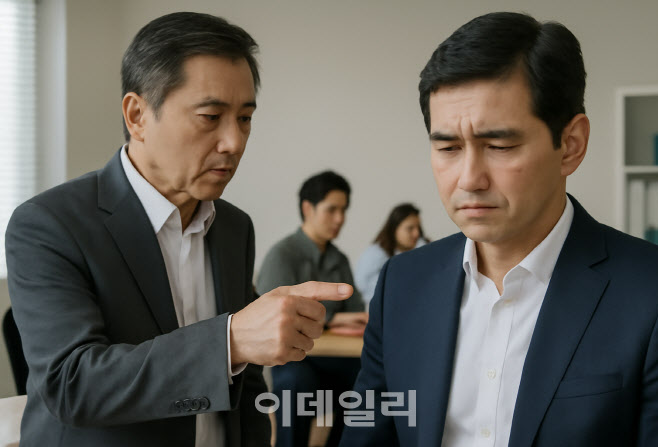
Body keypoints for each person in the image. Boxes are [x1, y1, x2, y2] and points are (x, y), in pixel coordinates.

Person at [5, 12, 355, 447]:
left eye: (245, 118)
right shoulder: (49, 224)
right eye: (210, 116)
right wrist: (228, 342)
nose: (234, 142)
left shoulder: (234, 227)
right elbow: (71, 385)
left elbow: (246, 388)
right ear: (137, 115)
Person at [340, 12, 658, 447]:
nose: (469, 179)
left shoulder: (655, 292)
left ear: (570, 145)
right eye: (448, 147)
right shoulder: (402, 284)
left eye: (499, 145)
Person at [256, 170, 367, 447]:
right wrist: (335, 318)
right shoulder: (282, 255)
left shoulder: (339, 259)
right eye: (332, 210)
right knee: (295, 382)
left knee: (367, 378)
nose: (340, 219)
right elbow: (273, 319)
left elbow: (357, 313)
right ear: (308, 208)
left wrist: (335, 319)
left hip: (333, 357)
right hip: (294, 359)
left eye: (343, 210)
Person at [354, 203, 427, 304]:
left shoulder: (420, 251)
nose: (416, 234)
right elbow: (363, 288)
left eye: (418, 228)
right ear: (394, 229)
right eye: (410, 228)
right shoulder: (375, 254)